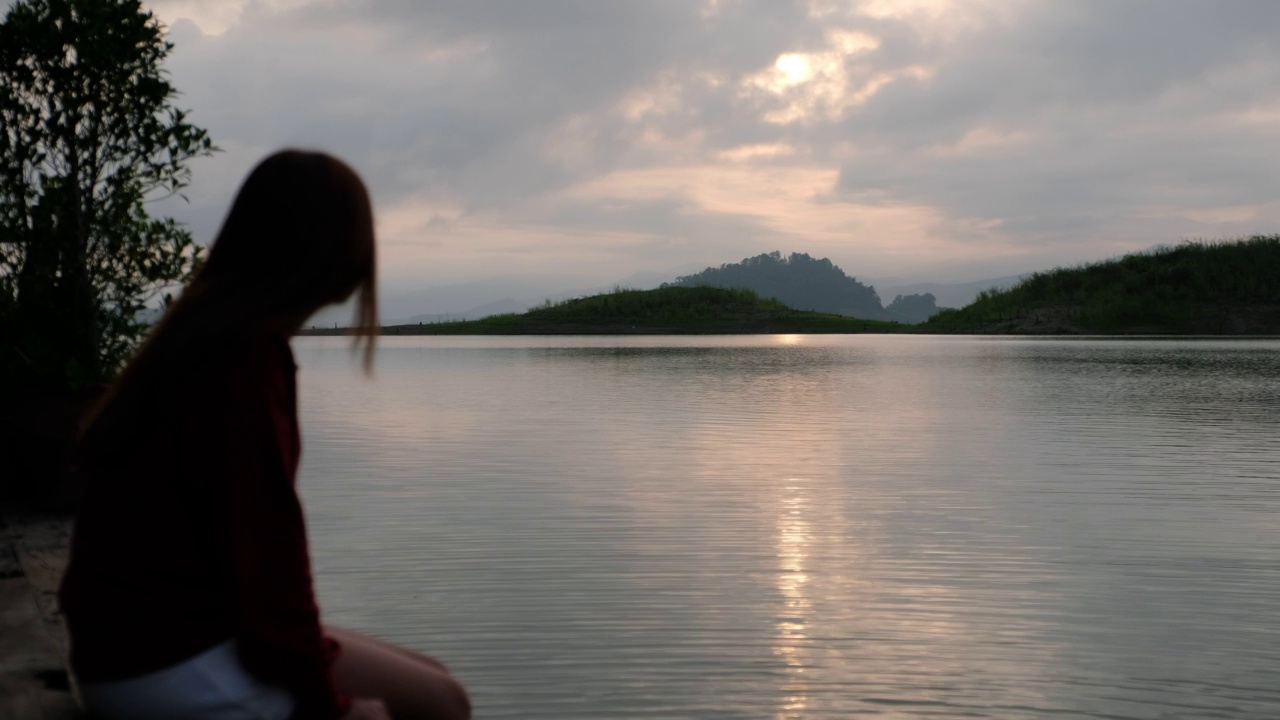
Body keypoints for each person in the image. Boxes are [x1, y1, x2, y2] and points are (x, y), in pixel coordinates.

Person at [58, 150, 471, 720]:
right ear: (331, 250)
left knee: (437, 682)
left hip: (131, 648)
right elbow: (267, 558)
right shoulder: (243, 361)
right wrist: (334, 709)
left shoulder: (205, 336)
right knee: (438, 705)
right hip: (163, 665)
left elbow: (256, 570)